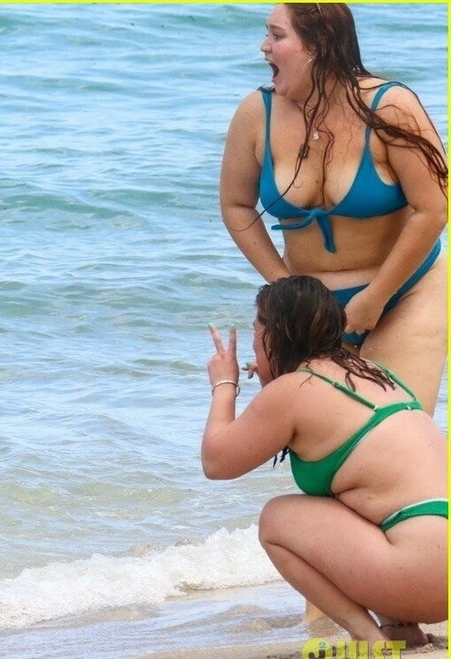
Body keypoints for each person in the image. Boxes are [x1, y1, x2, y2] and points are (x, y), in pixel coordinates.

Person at [219, 3, 447, 415]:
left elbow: (433, 209)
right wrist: (289, 291)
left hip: (406, 291)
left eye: (277, 35)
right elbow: (236, 206)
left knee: (391, 426)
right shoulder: (256, 113)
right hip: (312, 311)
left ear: (318, 44)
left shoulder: (389, 106)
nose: (264, 46)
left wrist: (376, 297)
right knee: (320, 434)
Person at [202, 275, 446, 646]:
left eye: (255, 330)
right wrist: (273, 378)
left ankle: (368, 638)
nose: (253, 341)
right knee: (360, 501)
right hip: (432, 567)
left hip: (422, 575)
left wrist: (224, 384)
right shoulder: (375, 374)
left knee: (277, 519)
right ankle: (401, 631)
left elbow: (216, 462)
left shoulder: (296, 390)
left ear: (274, 334)